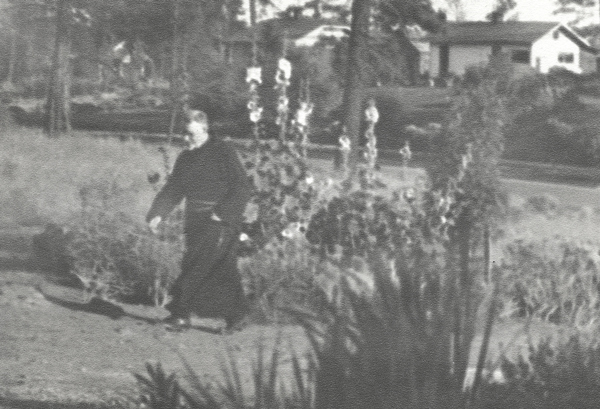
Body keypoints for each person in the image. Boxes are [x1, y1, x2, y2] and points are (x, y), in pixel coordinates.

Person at [146, 109, 253, 332]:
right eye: (183, 134)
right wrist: (158, 213)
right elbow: (174, 188)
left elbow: (241, 187)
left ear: (204, 129)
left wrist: (222, 213)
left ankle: (181, 314)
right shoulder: (186, 158)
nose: (185, 139)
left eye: (190, 134)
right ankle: (238, 314)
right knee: (222, 269)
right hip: (195, 220)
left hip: (221, 221)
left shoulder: (223, 152)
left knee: (196, 266)